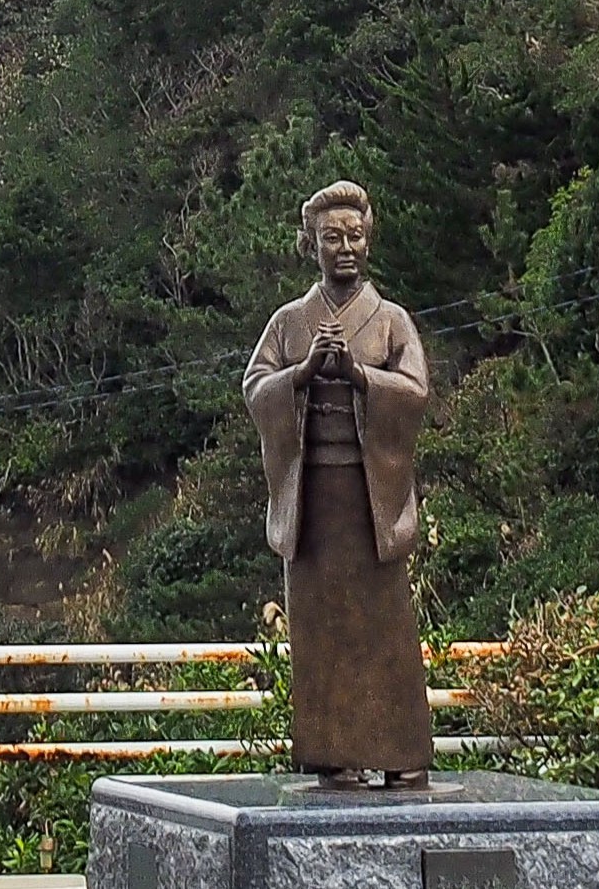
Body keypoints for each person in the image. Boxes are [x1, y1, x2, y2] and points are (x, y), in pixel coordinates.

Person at [242, 182, 433, 787]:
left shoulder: (391, 321)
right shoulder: (289, 322)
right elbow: (256, 387)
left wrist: (357, 375)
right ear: (310, 245)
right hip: (313, 496)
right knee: (319, 626)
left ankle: (401, 754)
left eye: (354, 235)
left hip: (371, 493)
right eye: (332, 237)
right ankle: (333, 754)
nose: (345, 247)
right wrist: (303, 373)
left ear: (368, 240)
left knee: (385, 625)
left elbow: (415, 392)